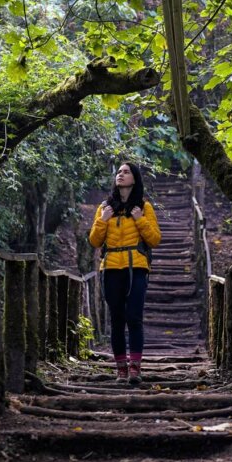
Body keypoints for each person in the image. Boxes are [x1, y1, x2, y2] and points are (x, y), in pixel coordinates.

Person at [89, 162, 161, 384]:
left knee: (134, 318)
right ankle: (120, 368)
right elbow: (94, 241)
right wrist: (103, 221)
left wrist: (139, 219)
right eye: (119, 172)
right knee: (117, 319)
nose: (121, 175)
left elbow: (155, 240)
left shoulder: (144, 207)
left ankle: (135, 369)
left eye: (126, 172)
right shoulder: (104, 208)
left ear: (135, 178)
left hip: (136, 267)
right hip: (110, 268)